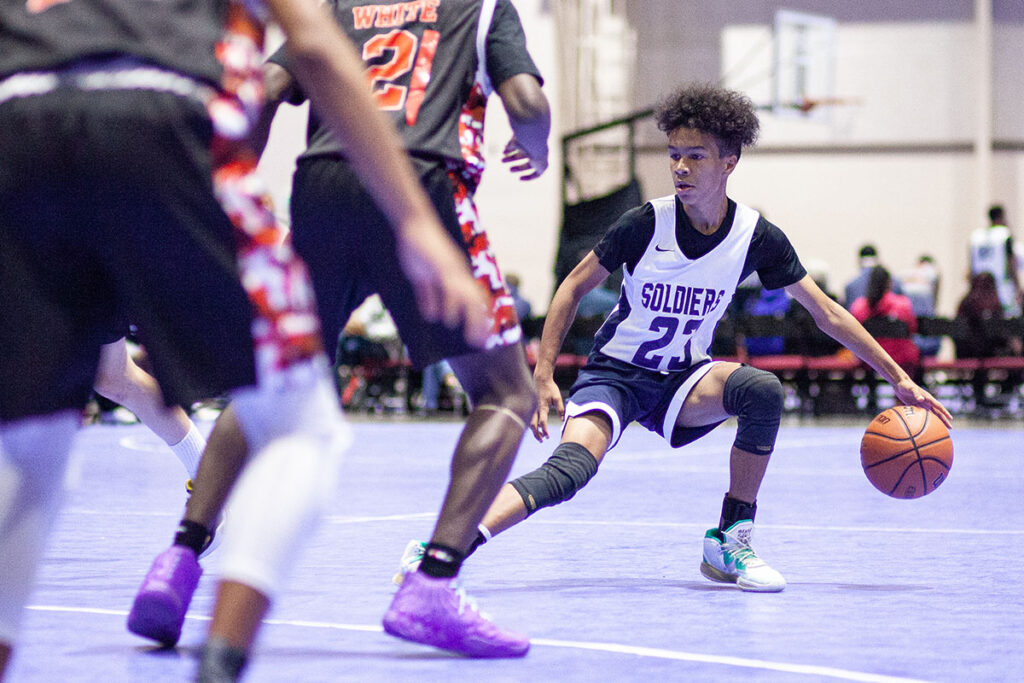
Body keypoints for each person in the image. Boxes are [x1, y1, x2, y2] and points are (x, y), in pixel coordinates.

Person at [0, 0, 490, 680]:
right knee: (300, 426)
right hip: (163, 119)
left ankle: (177, 554)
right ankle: (221, 660)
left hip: (17, 118)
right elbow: (314, 46)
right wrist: (416, 221)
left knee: (31, 443)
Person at [396, 83, 953, 594]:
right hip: (615, 375)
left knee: (760, 391)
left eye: (696, 156)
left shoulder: (755, 236)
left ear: (729, 162)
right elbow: (569, 289)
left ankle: (730, 540)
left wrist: (900, 379)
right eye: (674, 155)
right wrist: (542, 375)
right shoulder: (645, 222)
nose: (680, 168)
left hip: (684, 378)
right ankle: (442, 550)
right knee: (570, 471)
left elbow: (828, 313)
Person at [128, 0, 551, 668]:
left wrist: (236, 182)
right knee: (506, 392)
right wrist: (537, 141)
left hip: (321, 185)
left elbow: (265, 88)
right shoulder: (484, 6)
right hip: (422, 183)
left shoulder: (339, 7)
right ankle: (434, 582)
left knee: (271, 381)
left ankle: (178, 559)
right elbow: (525, 98)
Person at [849, 266, 921, 372]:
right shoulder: (903, 304)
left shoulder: (858, 306)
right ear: (889, 283)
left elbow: (853, 335)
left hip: (869, 360)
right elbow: (912, 330)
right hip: (901, 359)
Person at [970, 205, 1023, 316]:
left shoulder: (976, 237)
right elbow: (1010, 263)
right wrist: (1018, 288)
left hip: (980, 291)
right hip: (1002, 289)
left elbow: (971, 268)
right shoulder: (1004, 235)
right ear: (1001, 217)